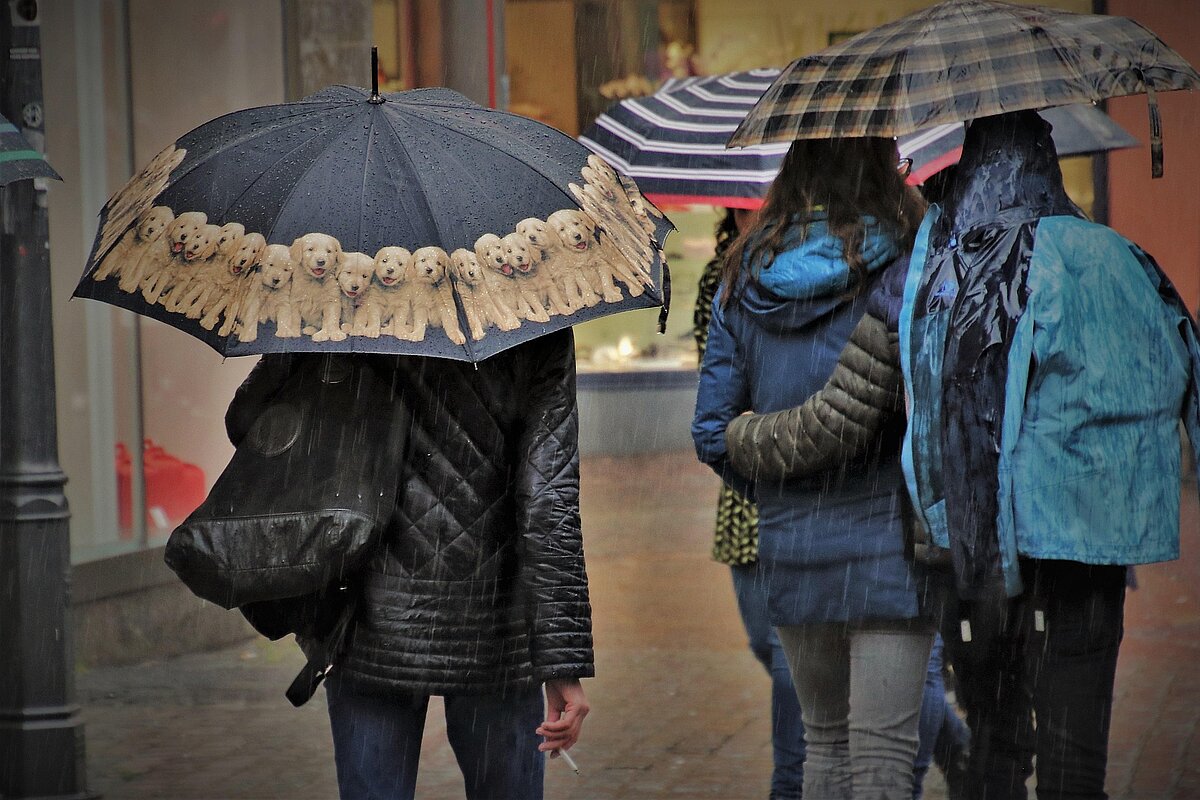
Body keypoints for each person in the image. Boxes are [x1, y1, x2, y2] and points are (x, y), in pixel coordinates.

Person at [897, 110, 1200, 800]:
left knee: (999, 733)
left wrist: (951, 528)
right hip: (1102, 537)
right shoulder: (1120, 254)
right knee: (1076, 737)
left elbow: (959, 407)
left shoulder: (982, 261)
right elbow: (1176, 361)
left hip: (1005, 543)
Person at [225, 330, 593, 800]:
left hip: (366, 615)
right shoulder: (529, 304)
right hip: (492, 627)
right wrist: (562, 664)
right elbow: (548, 502)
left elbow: (247, 421)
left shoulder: (344, 290)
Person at [693, 137, 934, 800]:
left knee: (823, 743)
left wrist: (778, 489)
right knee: (885, 753)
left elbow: (712, 433)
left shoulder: (741, 279)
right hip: (893, 544)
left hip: (792, 548)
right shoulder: (912, 266)